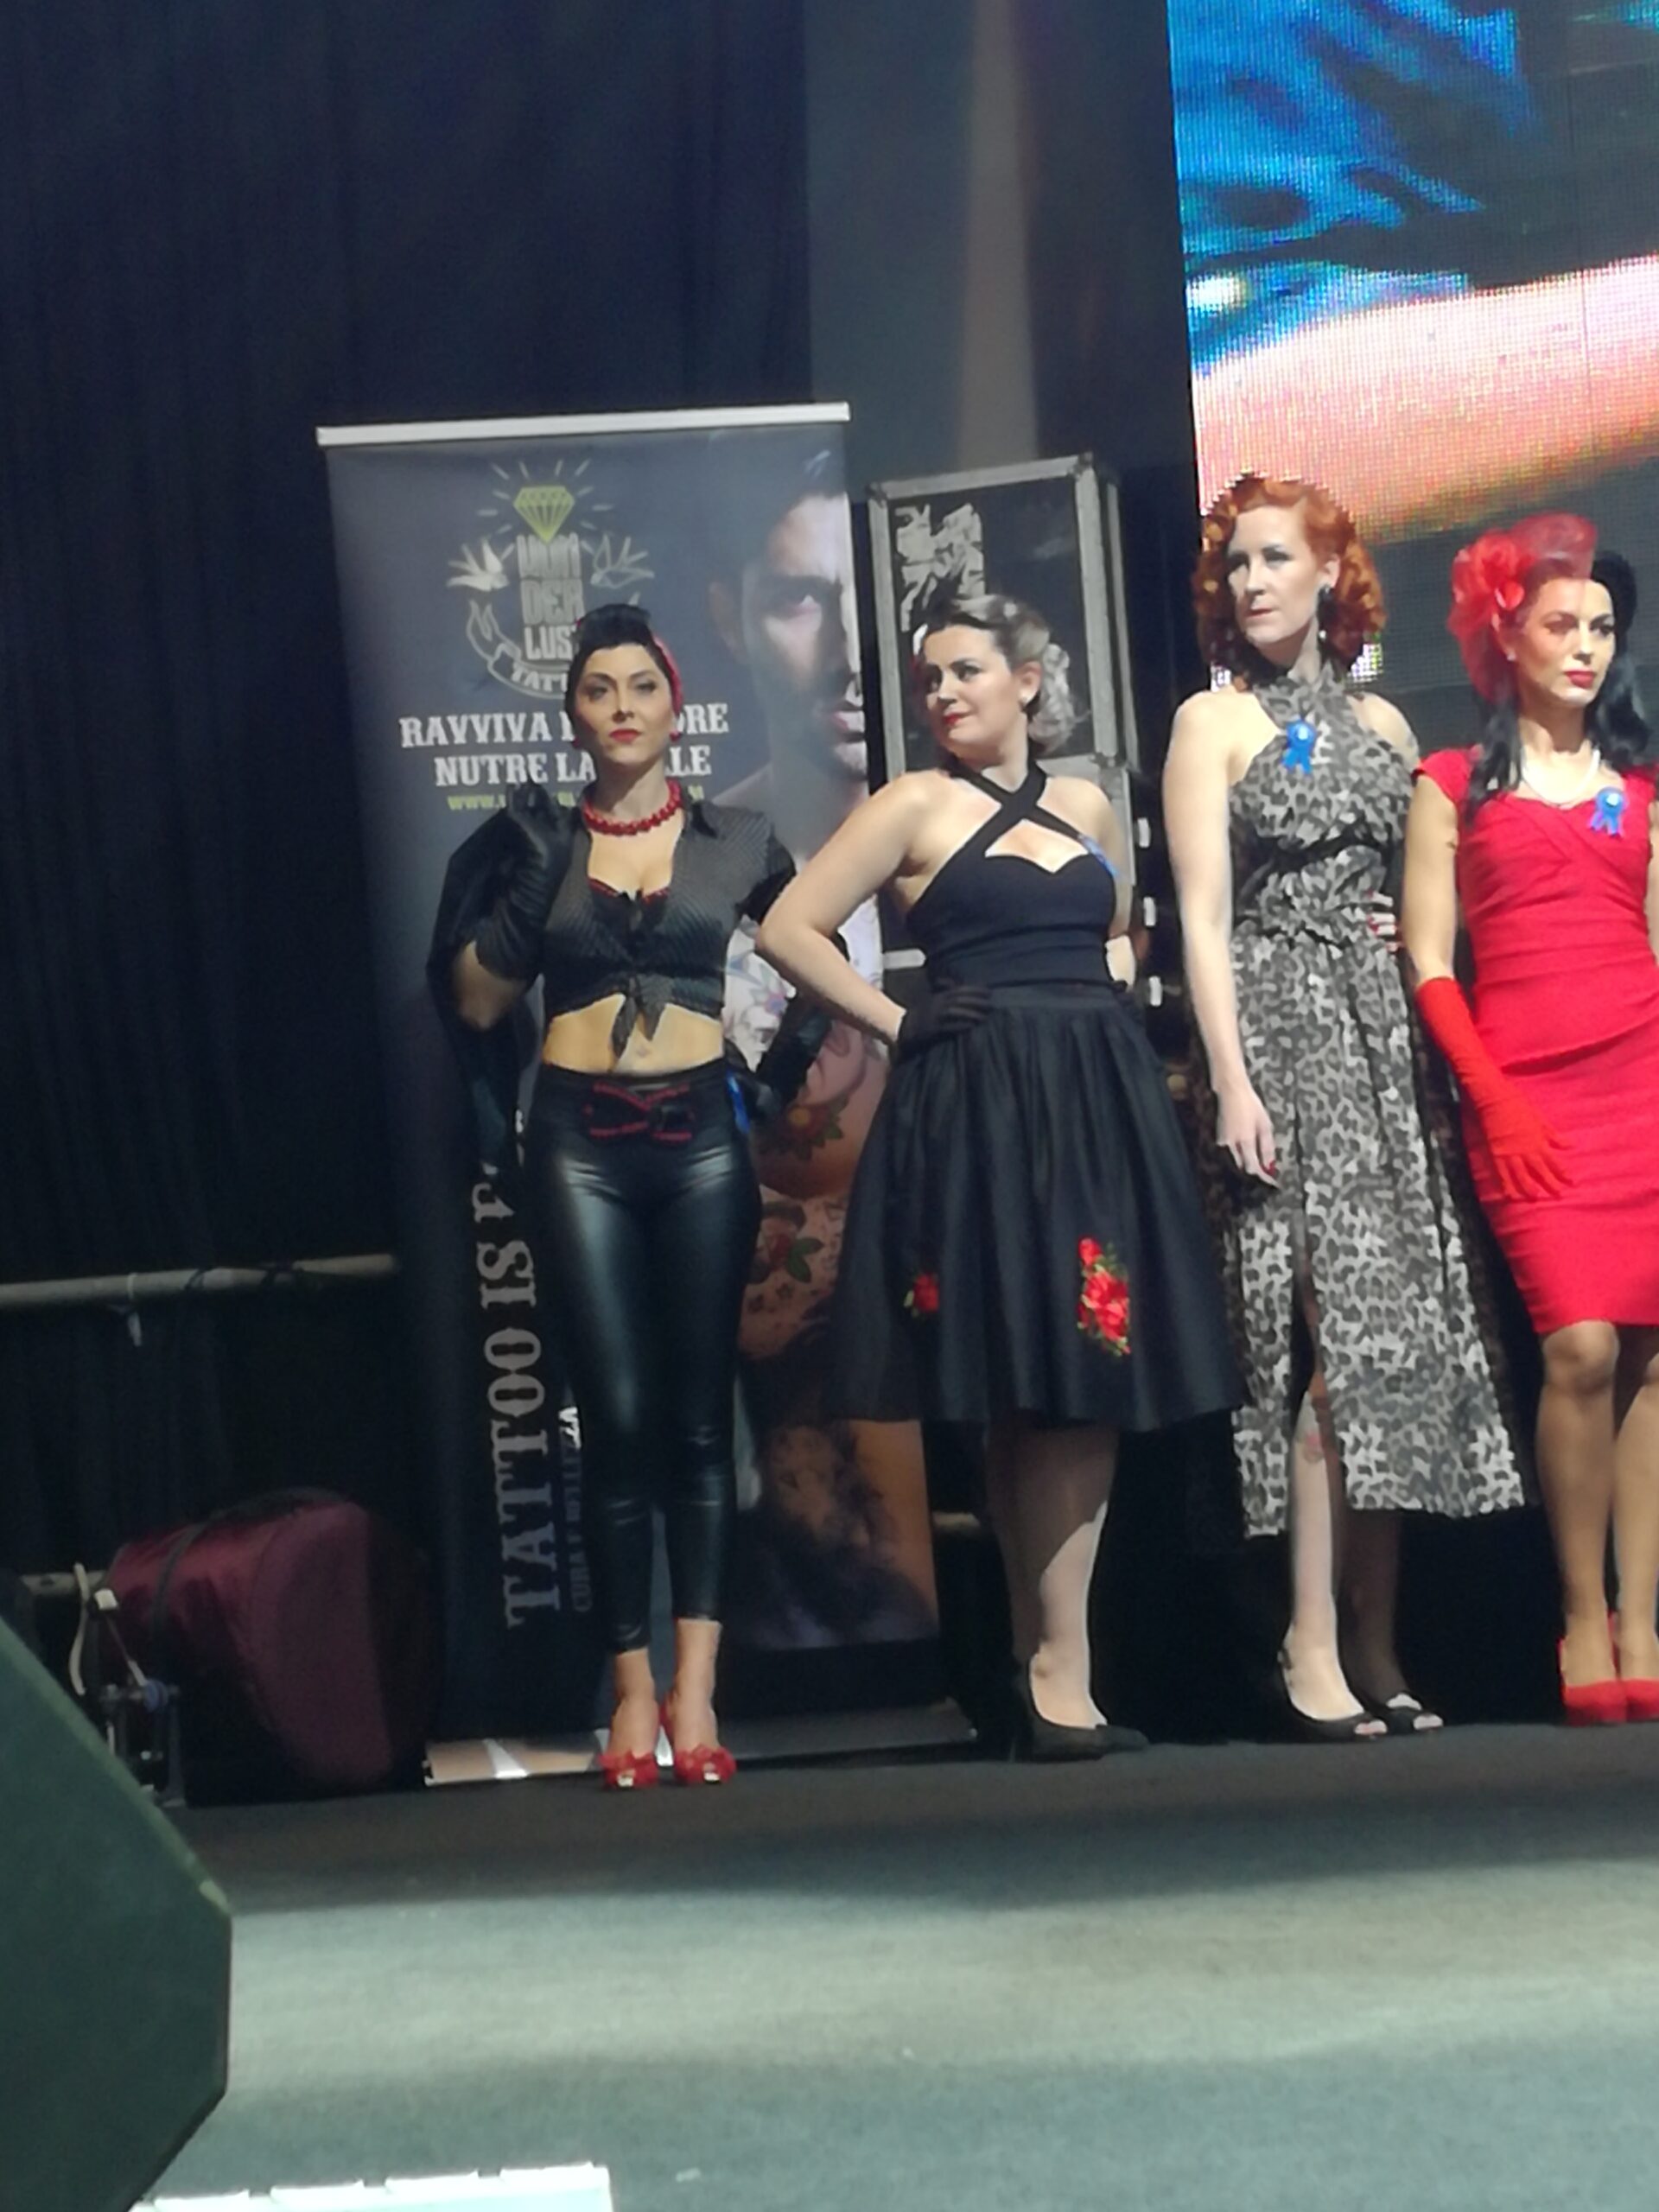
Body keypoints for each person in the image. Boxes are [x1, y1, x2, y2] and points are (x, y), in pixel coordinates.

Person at [759, 592, 1240, 1758]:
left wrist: (1109, 989)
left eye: (965, 670)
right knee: (1024, 1375)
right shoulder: (911, 804)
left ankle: (1050, 1663)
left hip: (1092, 1098)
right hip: (976, 1102)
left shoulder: (1086, 802)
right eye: (930, 678)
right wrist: (898, 1021)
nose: (943, 693)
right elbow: (789, 927)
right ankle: (1051, 1664)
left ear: (1027, 680)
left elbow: (1120, 927)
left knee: (1083, 1367)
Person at [1163, 474, 1522, 1742]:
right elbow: (1201, 918)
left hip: (1382, 1046)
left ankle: (1376, 1636)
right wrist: (1231, 1078)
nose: (1252, 583)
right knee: (1313, 1346)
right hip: (1276, 1030)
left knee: (1385, 1352)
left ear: (1329, 574)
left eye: (1276, 559)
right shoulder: (1211, 722)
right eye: (1236, 566)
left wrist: (1403, 940)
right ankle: (1305, 1637)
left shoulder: (1381, 719)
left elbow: (1427, 884)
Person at [450, 603, 820, 1786]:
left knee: (700, 1417)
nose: (621, 707)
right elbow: (475, 1001)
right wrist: (533, 886)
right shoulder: (538, 842)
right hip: (578, 1146)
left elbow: (818, 958)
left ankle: (696, 1693)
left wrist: (774, 1077)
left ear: (675, 705)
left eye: (641, 687)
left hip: (702, 1140)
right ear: (572, 714)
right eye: (597, 690)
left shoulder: (738, 838)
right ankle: (628, 1693)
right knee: (612, 1414)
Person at [1404, 518, 1659, 1724]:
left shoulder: (1640, 794)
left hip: (1641, 1087)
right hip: (1525, 1097)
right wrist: (1491, 1092)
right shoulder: (1454, 782)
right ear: (1506, 637)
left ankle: (1640, 1620)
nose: (1586, 647)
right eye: (1562, 625)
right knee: (1581, 1348)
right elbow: (1427, 960)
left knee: (1651, 1354)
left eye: (1601, 628)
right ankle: (1578, 1612)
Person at [709, 442, 938, 1649]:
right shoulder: (705, 873)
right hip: (815, 1466)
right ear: (731, 618)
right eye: (801, 600)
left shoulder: (984, 842)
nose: (849, 653)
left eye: (865, 603)